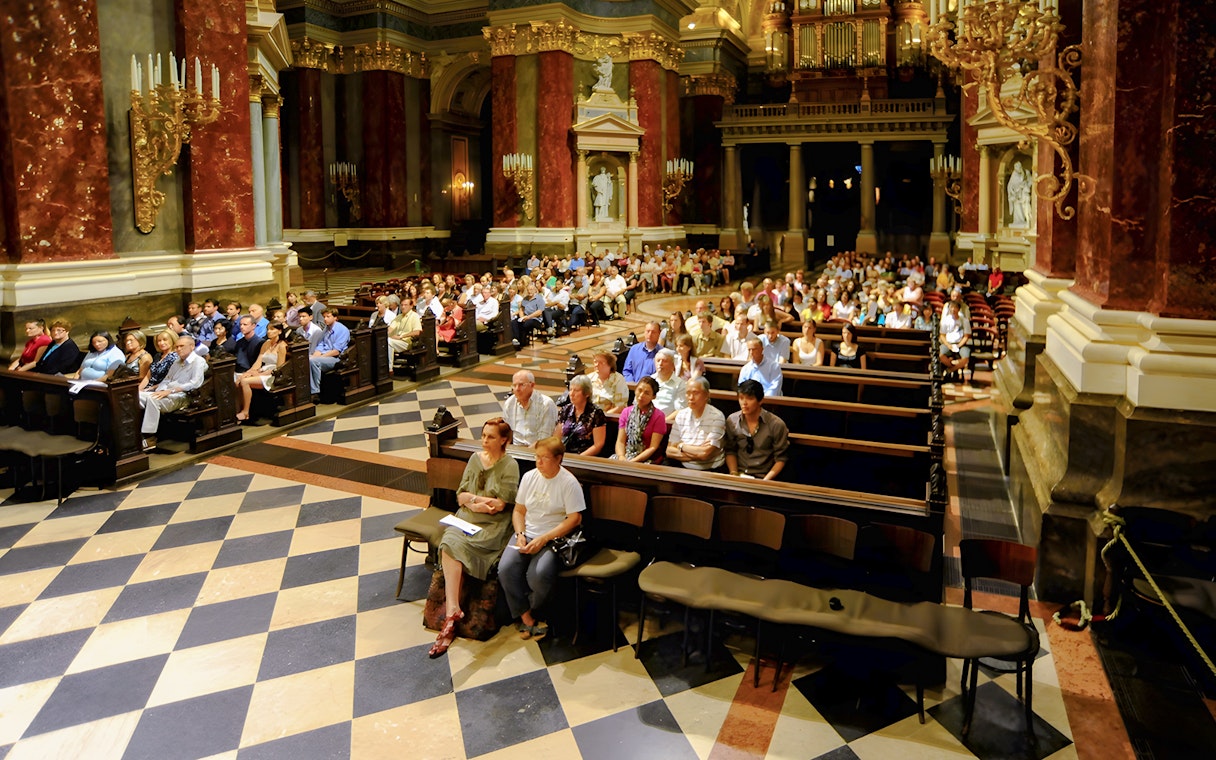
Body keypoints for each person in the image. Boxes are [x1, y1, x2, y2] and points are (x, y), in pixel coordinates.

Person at [430, 417, 521, 658]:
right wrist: (478, 503)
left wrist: (475, 501)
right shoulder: (473, 459)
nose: (484, 440)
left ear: (503, 440)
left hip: (494, 525)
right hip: (468, 517)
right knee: (450, 541)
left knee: (466, 544)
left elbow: (501, 504)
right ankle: (453, 610)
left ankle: (450, 619)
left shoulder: (510, 465)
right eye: (483, 435)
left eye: (490, 437)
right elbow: (461, 496)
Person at [499, 437, 586, 641]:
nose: (538, 462)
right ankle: (525, 616)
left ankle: (537, 610)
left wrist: (544, 538)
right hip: (527, 531)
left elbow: (575, 519)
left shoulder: (568, 483)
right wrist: (520, 534)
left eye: (544, 458)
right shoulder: (529, 477)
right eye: (536, 457)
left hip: (552, 537)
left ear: (558, 459)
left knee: (538, 575)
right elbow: (519, 511)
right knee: (506, 569)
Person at [138, 335, 206, 451]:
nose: (178, 349)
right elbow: (167, 380)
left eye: (181, 346)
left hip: (183, 396)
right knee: (135, 396)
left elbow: (195, 383)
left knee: (153, 400)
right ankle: (132, 433)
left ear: (192, 346)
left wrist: (170, 391)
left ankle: (150, 437)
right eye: (177, 347)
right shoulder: (176, 362)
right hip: (165, 392)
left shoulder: (198, 361)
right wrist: (153, 389)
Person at [724, 379, 790, 481]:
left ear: (760, 400)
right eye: (741, 398)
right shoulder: (732, 420)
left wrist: (765, 482)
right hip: (738, 475)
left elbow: (781, 459)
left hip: (763, 477)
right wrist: (733, 474)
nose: (744, 403)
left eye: (749, 398)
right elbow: (730, 450)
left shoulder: (776, 424)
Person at [665, 377, 726, 471]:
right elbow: (669, 451)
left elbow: (705, 454)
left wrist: (681, 446)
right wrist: (698, 454)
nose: (690, 397)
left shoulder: (717, 417)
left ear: (706, 395)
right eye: (688, 393)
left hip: (711, 470)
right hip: (683, 469)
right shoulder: (681, 415)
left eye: (695, 393)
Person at [235, 322, 287, 421]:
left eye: (272, 329)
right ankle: (238, 410)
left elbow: (279, 368)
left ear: (279, 331)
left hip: (273, 375)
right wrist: (249, 372)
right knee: (239, 380)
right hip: (262, 371)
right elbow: (258, 362)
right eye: (268, 329)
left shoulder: (282, 346)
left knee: (245, 382)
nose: (269, 332)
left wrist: (260, 373)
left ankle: (245, 412)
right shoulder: (266, 343)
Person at [613, 375, 667, 463]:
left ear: (653, 396)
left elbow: (653, 447)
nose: (641, 395)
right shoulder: (626, 412)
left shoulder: (659, 416)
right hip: (626, 456)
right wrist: (621, 457)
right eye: (639, 390)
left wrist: (634, 461)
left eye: (647, 393)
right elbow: (620, 441)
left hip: (648, 459)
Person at [554, 375, 607, 456]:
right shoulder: (566, 410)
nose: (571, 394)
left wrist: (579, 458)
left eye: (576, 390)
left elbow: (598, 445)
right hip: (564, 455)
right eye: (570, 390)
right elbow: (556, 438)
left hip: (585, 457)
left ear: (587, 393)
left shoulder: (596, 413)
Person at [502, 370, 558, 448]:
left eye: (521, 385)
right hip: (515, 450)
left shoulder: (546, 404)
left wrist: (526, 452)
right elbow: (506, 433)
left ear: (532, 385)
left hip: (538, 451)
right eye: (514, 385)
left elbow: (545, 439)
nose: (517, 389)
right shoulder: (509, 403)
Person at [308, 309, 350, 400]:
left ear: (335, 318)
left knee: (313, 361)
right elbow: (320, 346)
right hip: (325, 356)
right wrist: (315, 355)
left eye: (328, 316)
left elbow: (336, 351)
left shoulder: (342, 330)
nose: (325, 319)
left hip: (336, 358)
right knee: (307, 359)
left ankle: (314, 392)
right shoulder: (326, 329)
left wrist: (319, 358)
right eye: (324, 317)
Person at [650, 348, 687, 421]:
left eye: (664, 361)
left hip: (668, 424)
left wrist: (663, 423)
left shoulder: (680, 384)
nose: (660, 364)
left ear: (673, 365)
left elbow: (680, 410)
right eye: (658, 361)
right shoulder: (649, 380)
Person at [939, 300, 972, 378]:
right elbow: (942, 335)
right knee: (940, 355)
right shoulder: (945, 320)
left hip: (961, 344)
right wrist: (948, 345)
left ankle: (950, 370)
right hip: (948, 343)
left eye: (955, 308)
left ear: (959, 309)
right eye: (951, 307)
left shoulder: (964, 321)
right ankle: (951, 366)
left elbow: (966, 336)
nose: (953, 309)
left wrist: (959, 345)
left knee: (965, 358)